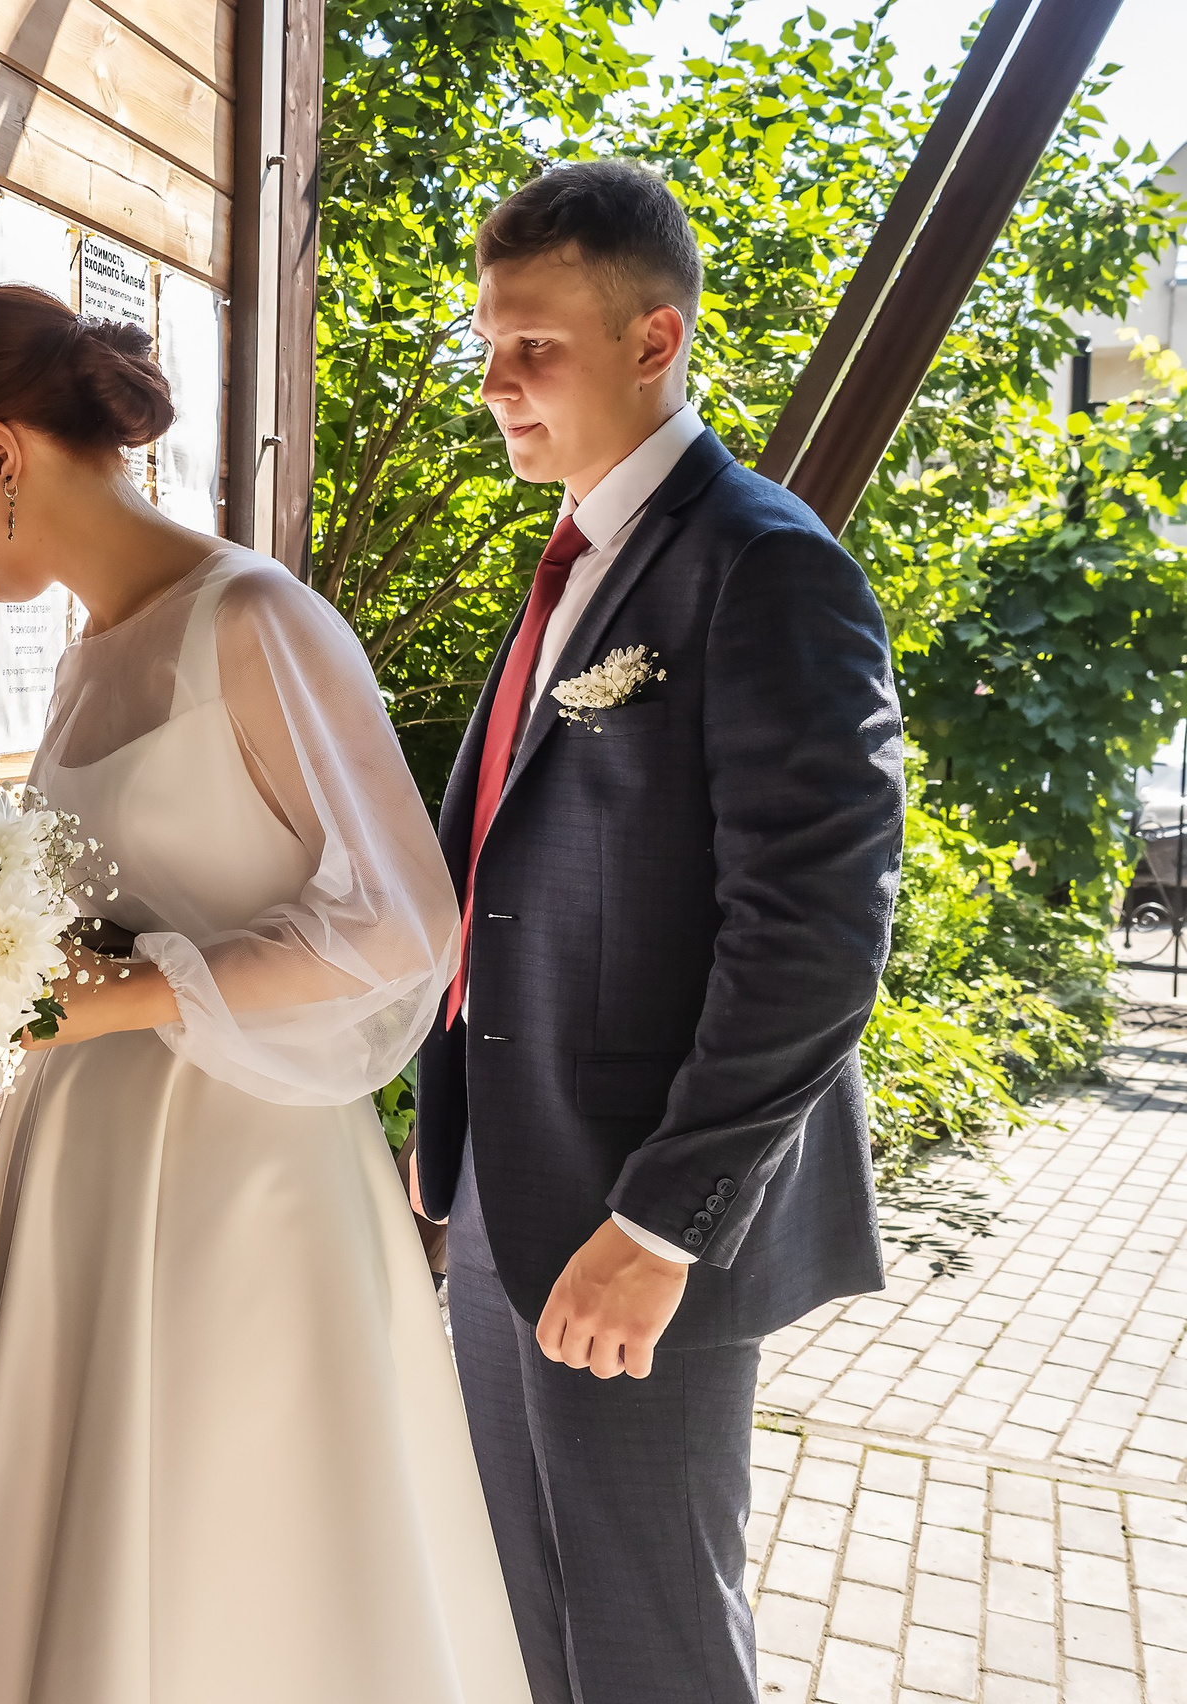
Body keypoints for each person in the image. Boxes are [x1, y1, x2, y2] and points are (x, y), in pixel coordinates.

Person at [0, 284, 531, 1703]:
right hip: (86, 1158)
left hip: (239, 1174)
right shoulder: (93, 649)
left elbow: (406, 924)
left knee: (235, 1547)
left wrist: (114, 1003)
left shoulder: (256, 620)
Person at [409, 160, 904, 1704]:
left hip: (637, 1209)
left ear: (654, 339)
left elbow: (819, 930)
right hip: (504, 1178)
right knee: (528, 1616)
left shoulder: (765, 567)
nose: (496, 385)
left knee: (654, 1642)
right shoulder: (576, 561)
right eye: (488, 347)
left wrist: (662, 1224)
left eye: (534, 348)